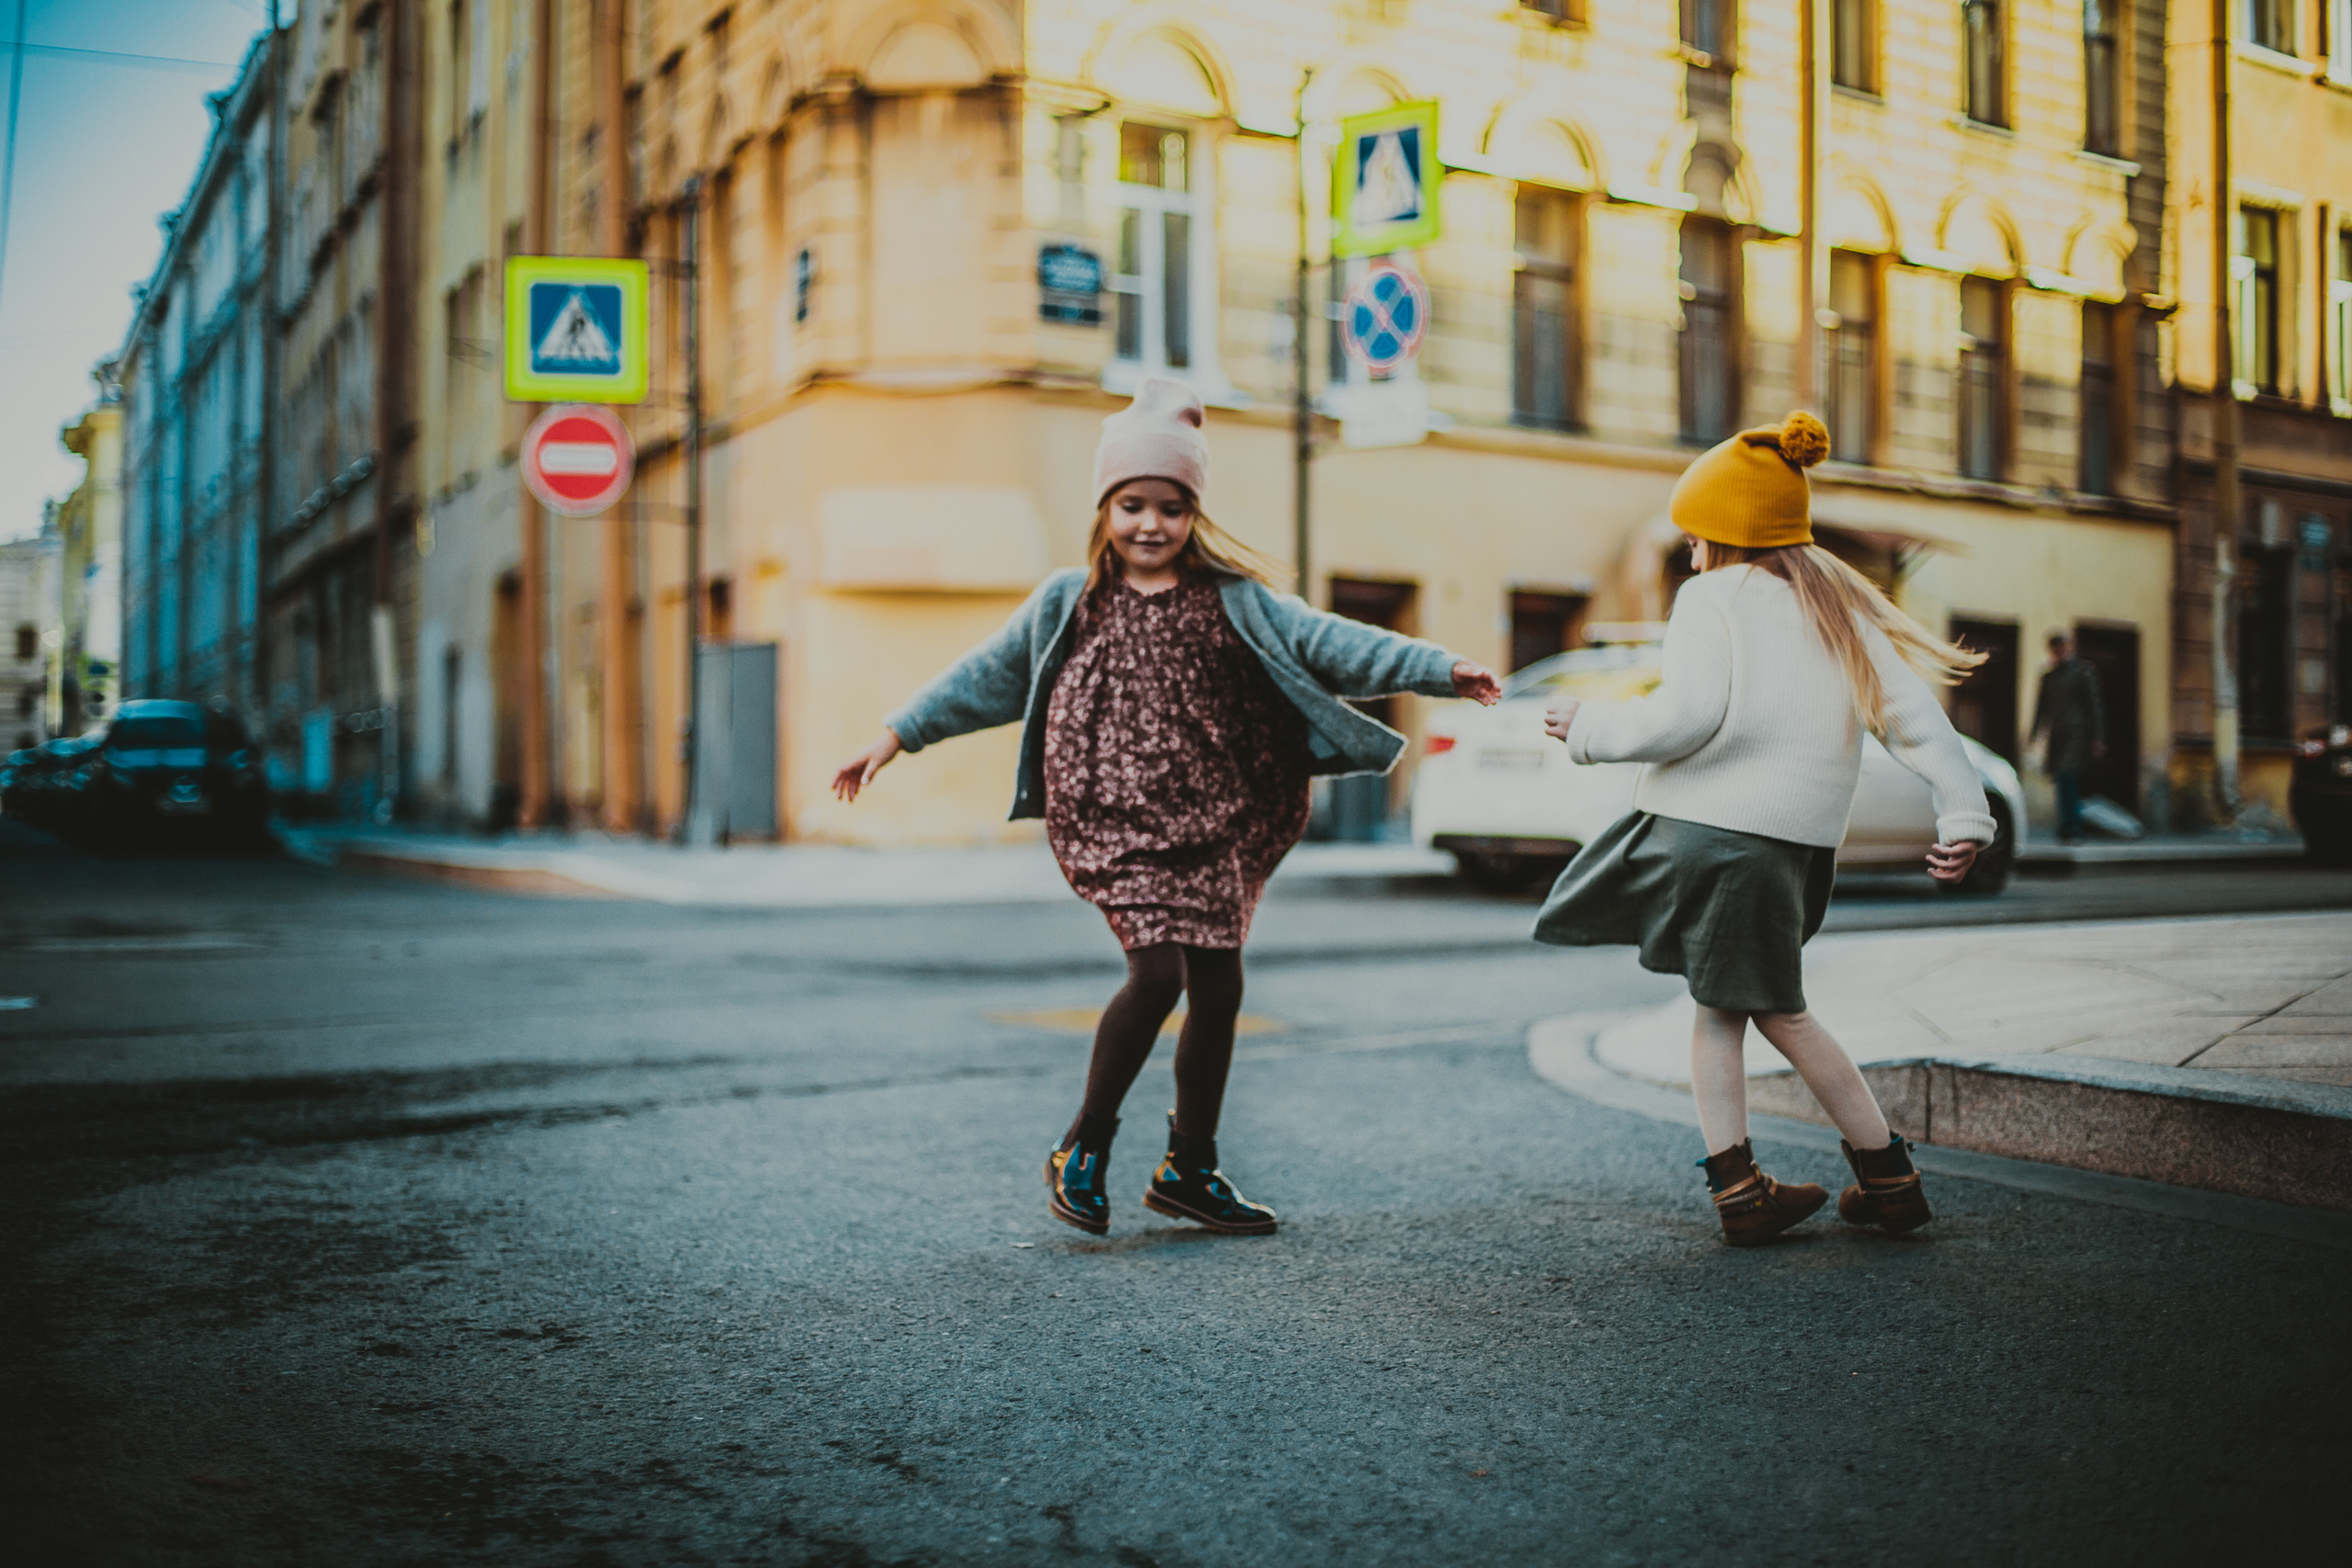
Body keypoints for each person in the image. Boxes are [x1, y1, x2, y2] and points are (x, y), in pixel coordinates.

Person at [831, 378, 1501, 1237]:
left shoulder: (1236, 599)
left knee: (1219, 987)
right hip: (1113, 822)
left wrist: (1440, 668)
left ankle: (1191, 1167)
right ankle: (1083, 1145)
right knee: (1158, 974)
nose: (1150, 524)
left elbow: (1333, 642)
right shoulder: (1069, 602)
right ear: (1105, 507)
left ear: (1195, 513)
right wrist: (895, 735)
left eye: (1172, 508)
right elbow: (983, 677)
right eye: (1133, 505)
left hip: (1216, 821)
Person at [1532, 411, 1996, 1247]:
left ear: (1725, 533)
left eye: (1695, 538)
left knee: (1774, 1011)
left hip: (1718, 836)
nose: (1690, 555)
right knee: (1725, 1006)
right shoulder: (1837, 605)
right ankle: (1770, 1188)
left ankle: (1875, 1179)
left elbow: (1686, 716)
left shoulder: (1711, 598)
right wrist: (1965, 810)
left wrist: (1590, 728)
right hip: (1794, 850)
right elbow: (1914, 719)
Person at [2031, 631, 2107, 844]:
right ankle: (2065, 826)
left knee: (2067, 774)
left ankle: (2073, 827)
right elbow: (2041, 707)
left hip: (2077, 734)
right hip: (2057, 735)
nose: (2059, 652)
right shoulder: (2048, 677)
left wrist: (2098, 737)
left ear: (2069, 648)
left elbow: (2094, 706)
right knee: (2059, 778)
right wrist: (2034, 734)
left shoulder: (2083, 672)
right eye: (2055, 649)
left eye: (2062, 648)